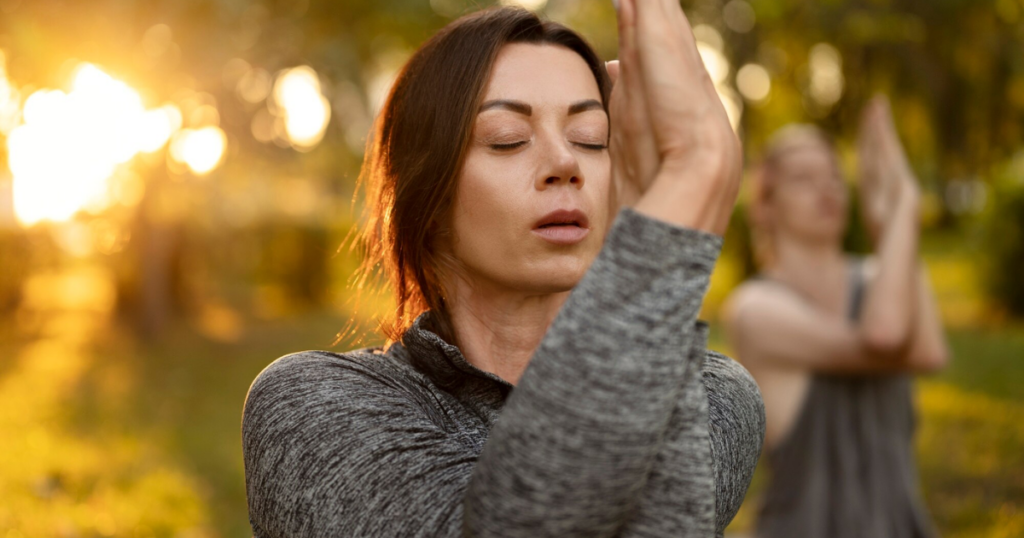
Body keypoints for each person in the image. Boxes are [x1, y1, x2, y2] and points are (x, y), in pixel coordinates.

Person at [242, 1, 765, 536]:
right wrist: (686, 191)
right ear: (425, 193)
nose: (566, 163)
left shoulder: (712, 394)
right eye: (507, 139)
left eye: (591, 138)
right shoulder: (315, 405)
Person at [721, 98, 950, 538]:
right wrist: (904, 205)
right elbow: (886, 337)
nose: (826, 188)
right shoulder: (754, 308)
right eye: (804, 178)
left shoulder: (879, 278)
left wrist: (888, 229)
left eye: (834, 176)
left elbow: (929, 352)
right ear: (764, 206)